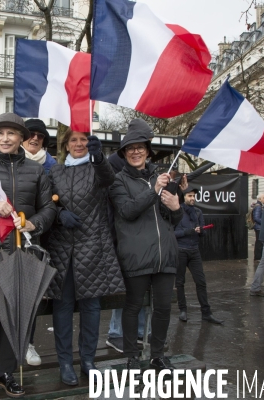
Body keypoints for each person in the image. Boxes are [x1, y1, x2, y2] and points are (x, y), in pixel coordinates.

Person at [0, 113, 56, 399]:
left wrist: (33, 224)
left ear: (22, 138)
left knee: (14, 317)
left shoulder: (36, 171)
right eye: (0, 133)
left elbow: (48, 209)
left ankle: (6, 373)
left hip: (21, 252)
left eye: (12, 134)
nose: (6, 138)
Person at [46, 129, 125, 386]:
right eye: (74, 140)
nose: (79, 144)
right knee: (63, 308)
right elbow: (47, 202)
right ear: (65, 145)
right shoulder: (54, 171)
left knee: (91, 309)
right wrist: (59, 214)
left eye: (83, 139)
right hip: (62, 250)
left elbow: (109, 178)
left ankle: (88, 360)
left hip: (93, 248)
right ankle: (65, 363)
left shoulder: (96, 169)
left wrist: (99, 156)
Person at [109, 120, 184, 373]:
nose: (135, 152)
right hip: (136, 256)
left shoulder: (160, 177)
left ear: (148, 151)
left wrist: (176, 208)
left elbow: (171, 218)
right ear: (124, 153)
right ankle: (131, 355)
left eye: (140, 147)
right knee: (133, 307)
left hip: (165, 256)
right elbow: (127, 211)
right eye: (130, 148)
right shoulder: (118, 181)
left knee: (163, 308)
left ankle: (158, 355)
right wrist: (154, 189)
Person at [105, 121, 150, 353]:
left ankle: (140, 332)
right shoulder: (117, 166)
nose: (138, 151)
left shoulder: (147, 171)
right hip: (122, 233)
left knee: (139, 288)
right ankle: (116, 332)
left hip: (140, 237)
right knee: (126, 288)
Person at [175, 187, 224, 324]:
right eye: (189, 196)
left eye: (194, 196)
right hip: (181, 250)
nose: (192, 198)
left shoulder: (198, 212)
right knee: (180, 282)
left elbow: (203, 232)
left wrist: (201, 231)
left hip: (194, 250)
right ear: (184, 197)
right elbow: (173, 233)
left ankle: (206, 313)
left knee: (201, 282)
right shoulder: (177, 211)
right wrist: (190, 231)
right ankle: (183, 310)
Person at [253, 194, 264, 262]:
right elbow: (256, 218)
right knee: (259, 242)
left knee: (259, 242)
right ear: (259, 199)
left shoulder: (259, 206)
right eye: (263, 197)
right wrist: (263, 223)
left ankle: (258, 257)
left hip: (258, 227)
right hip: (259, 227)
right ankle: (258, 257)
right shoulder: (258, 207)